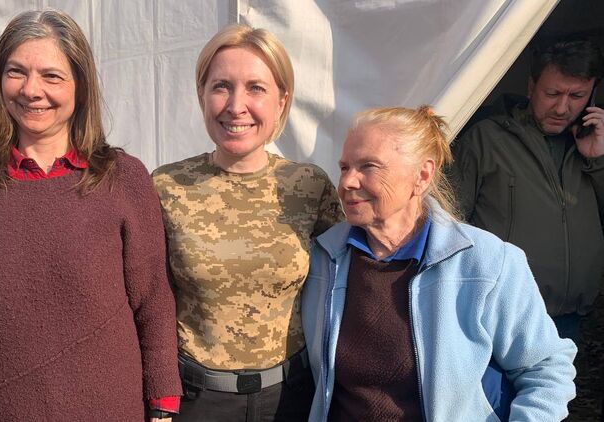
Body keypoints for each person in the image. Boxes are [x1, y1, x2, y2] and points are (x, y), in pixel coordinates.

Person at [0, 10, 181, 421]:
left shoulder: (122, 178)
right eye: (16, 72)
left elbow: (153, 300)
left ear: (80, 85)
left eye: (51, 76)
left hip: (109, 408)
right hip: (1, 409)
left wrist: (163, 402)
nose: (31, 90)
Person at [302, 106, 577, 421]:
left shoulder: (487, 262)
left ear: (422, 175)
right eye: (344, 167)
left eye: (369, 166)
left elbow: (545, 367)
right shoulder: (322, 258)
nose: (347, 182)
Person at [151, 24, 343, 422]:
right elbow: (148, 300)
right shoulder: (167, 186)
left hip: (291, 399)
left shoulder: (308, 185)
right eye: (221, 86)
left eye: (256, 88)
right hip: (197, 402)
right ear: (202, 95)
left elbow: (345, 286)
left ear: (281, 101)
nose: (236, 106)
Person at [450, 39, 604, 342]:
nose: (562, 108)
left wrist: (597, 162)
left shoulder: (593, 144)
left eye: (577, 96)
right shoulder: (486, 138)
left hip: (570, 316)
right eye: (552, 94)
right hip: (500, 314)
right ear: (531, 87)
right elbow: (449, 221)